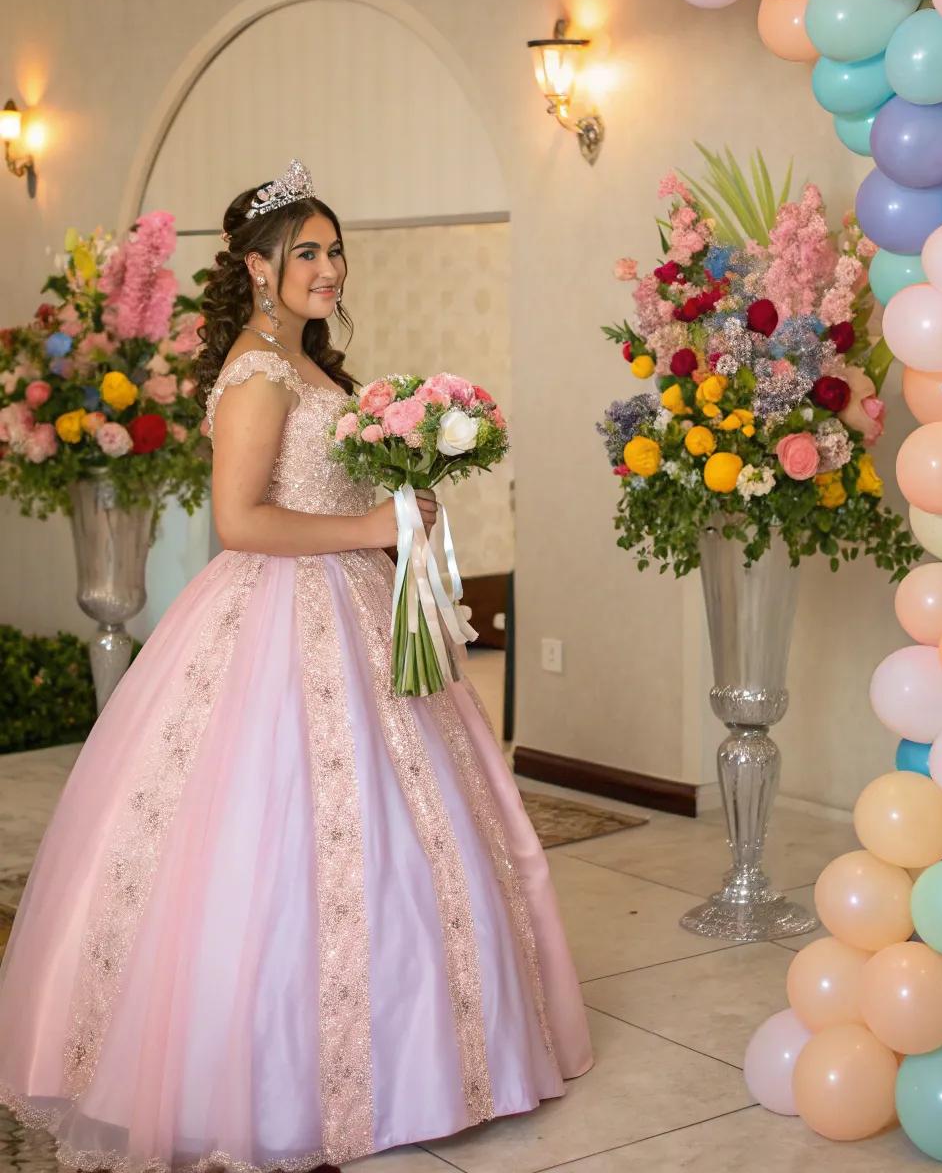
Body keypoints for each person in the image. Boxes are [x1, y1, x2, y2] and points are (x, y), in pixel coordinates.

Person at [0, 161, 592, 1172]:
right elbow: (240, 523)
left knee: (413, 821)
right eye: (305, 252)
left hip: (356, 599)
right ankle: (291, 1078)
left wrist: (402, 512)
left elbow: (327, 490)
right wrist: (374, 521)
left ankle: (438, 1056)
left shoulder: (315, 365)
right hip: (276, 616)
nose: (327, 267)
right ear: (256, 268)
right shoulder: (256, 374)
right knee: (273, 838)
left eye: (334, 248)